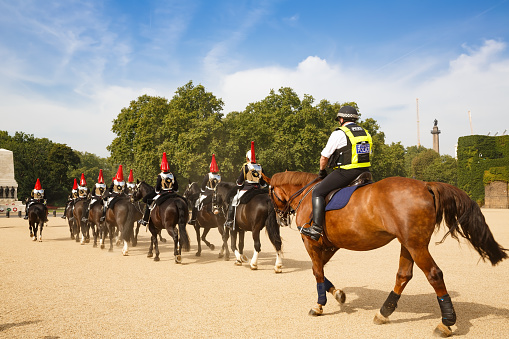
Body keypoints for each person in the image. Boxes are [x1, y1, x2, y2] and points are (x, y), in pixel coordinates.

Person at [298, 105, 373, 241]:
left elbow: (324, 157)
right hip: (365, 172)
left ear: (342, 119)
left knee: (318, 192)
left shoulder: (340, 133)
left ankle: (316, 229)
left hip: (347, 172)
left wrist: (322, 171)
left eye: (339, 119)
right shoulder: (366, 133)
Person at [224, 141, 267, 229]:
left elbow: (240, 181)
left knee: (234, 200)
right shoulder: (260, 167)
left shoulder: (246, 167)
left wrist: (238, 184)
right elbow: (263, 182)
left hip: (248, 188)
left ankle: (230, 220)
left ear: (247, 158)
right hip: (259, 188)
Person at [139, 152, 179, 226]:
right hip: (172, 193)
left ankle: (145, 220)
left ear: (161, 167)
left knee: (149, 204)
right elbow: (176, 187)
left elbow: (157, 188)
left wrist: (157, 191)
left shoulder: (160, 176)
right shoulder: (172, 175)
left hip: (163, 193)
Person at [189, 154, 221, 225]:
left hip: (208, 192)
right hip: (217, 193)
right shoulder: (219, 176)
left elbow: (203, 184)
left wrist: (202, 191)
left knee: (197, 202)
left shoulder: (208, 175)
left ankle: (193, 219)